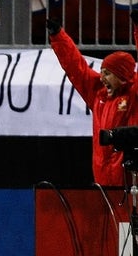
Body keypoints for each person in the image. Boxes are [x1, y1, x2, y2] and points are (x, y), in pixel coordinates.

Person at [48, 11, 138, 187]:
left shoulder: (134, 95)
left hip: (129, 181)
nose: (102, 78)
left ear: (123, 76)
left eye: (107, 73)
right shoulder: (98, 94)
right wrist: (58, 36)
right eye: (101, 72)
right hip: (102, 179)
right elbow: (76, 67)